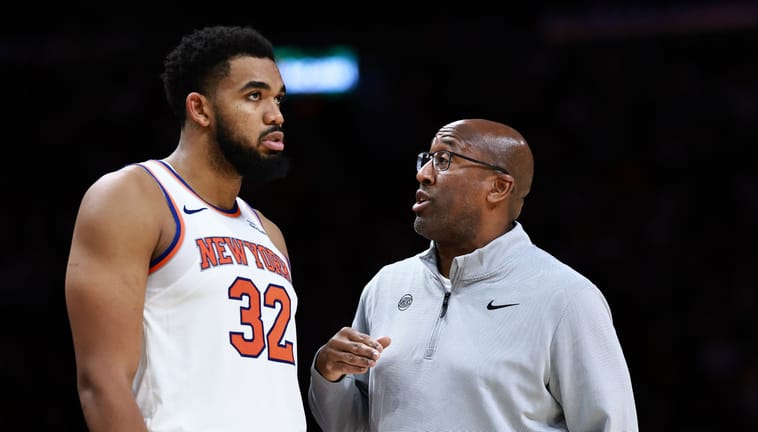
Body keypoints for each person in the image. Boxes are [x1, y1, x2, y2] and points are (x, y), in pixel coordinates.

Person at [308, 118, 639, 431]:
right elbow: (349, 426)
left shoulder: (566, 297)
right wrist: (329, 374)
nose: (423, 174)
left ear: (497, 187)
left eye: (444, 160)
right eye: (426, 159)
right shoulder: (387, 285)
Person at [65, 25, 307, 431]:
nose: (276, 114)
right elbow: (101, 383)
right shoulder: (132, 197)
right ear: (200, 109)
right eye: (254, 96)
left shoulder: (270, 233)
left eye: (278, 98)